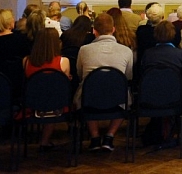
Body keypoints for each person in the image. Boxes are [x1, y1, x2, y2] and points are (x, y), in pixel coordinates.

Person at [75, 13, 134, 152]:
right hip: (117, 98)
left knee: (87, 89)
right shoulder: (126, 51)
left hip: (90, 98)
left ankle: (95, 137)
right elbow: (128, 76)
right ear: (113, 29)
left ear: (94, 31)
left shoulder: (84, 50)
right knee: (124, 95)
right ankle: (110, 135)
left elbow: (80, 74)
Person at [23, 28, 71, 150]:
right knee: (53, 95)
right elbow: (64, 84)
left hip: (33, 103)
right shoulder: (63, 61)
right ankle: (45, 140)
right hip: (56, 104)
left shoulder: (26, 61)